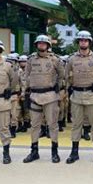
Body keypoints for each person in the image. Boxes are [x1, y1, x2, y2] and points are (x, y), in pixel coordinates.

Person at [65, 31, 93, 164]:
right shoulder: (72, 59)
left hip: (92, 95)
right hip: (77, 95)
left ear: (89, 42)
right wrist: (68, 89)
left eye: (86, 40)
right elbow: (66, 77)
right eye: (81, 40)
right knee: (76, 125)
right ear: (78, 42)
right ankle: (74, 152)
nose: (83, 42)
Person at [23, 35, 64, 163]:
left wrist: (59, 87)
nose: (41, 45)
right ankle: (34, 151)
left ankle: (54, 152)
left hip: (50, 96)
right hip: (35, 96)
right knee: (34, 125)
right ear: (36, 45)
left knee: (52, 125)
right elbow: (26, 76)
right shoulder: (30, 60)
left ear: (48, 45)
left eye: (44, 43)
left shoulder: (55, 60)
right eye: (39, 43)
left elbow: (62, 75)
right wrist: (25, 91)